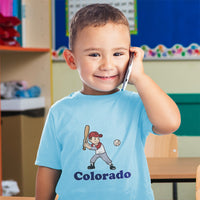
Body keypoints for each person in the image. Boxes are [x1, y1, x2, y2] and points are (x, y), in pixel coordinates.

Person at [35, 4, 180, 200]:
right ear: (71, 60)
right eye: (94, 54)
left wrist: (140, 78)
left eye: (118, 54)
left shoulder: (138, 104)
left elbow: (170, 124)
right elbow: (49, 167)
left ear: (131, 57)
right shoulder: (59, 111)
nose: (107, 65)